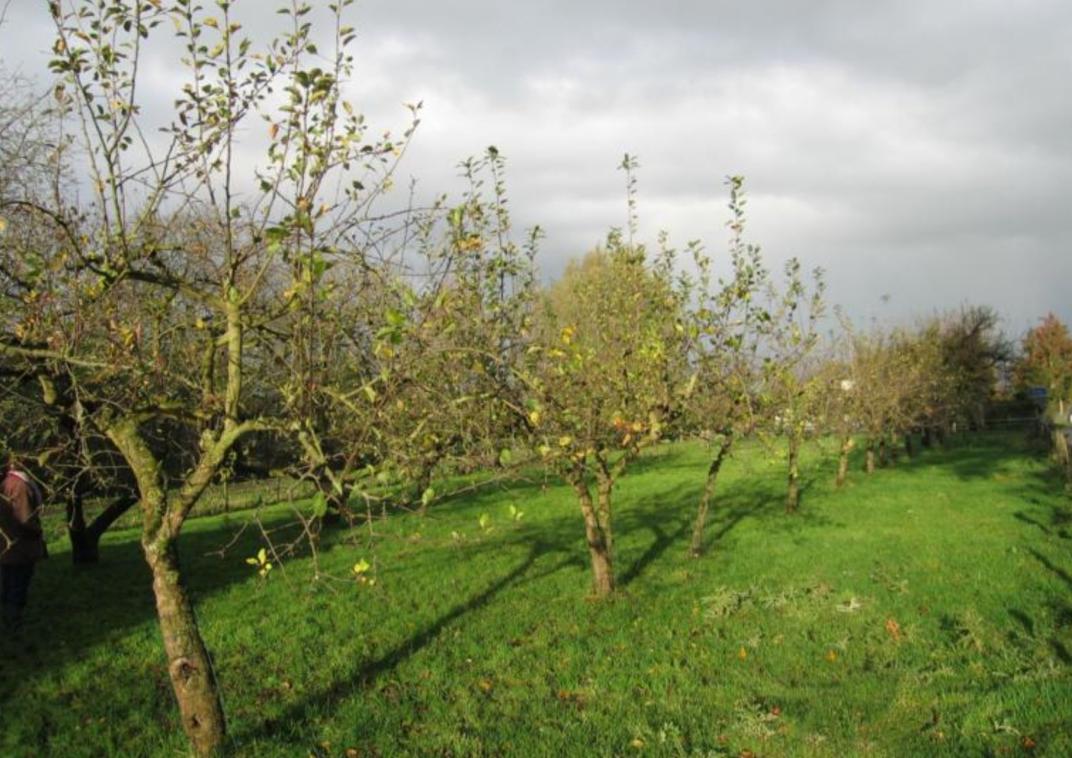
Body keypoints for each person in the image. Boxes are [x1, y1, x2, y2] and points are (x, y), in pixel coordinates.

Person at [0, 456, 47, 630]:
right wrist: (37, 532)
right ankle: (13, 622)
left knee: (8, 582)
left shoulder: (9, 482)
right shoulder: (20, 486)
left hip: (9, 544)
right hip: (20, 546)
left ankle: (9, 618)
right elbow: (25, 519)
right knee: (18, 583)